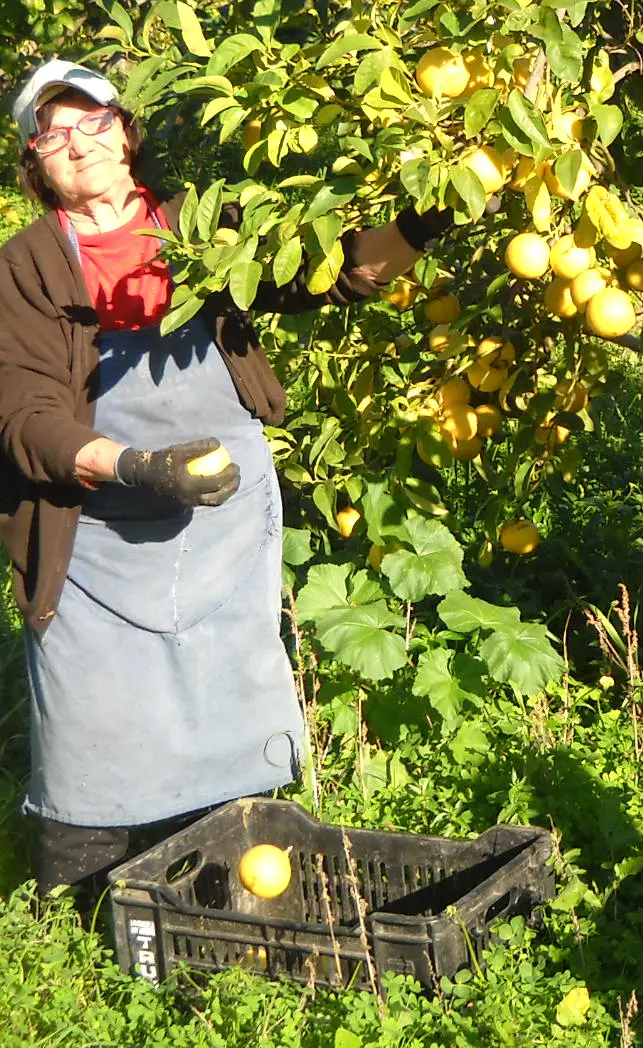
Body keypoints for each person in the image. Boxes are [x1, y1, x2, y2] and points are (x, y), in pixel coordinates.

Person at [0, 58, 455, 909]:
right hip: (95, 525)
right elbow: (24, 417)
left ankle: (230, 881)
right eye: (53, 134)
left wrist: (426, 219)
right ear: (35, 163)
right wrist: (132, 465)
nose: (78, 144)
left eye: (93, 122)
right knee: (93, 710)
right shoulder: (24, 266)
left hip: (220, 514)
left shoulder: (200, 227)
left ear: (125, 134)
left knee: (226, 689)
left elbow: (337, 274)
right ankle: (81, 900)